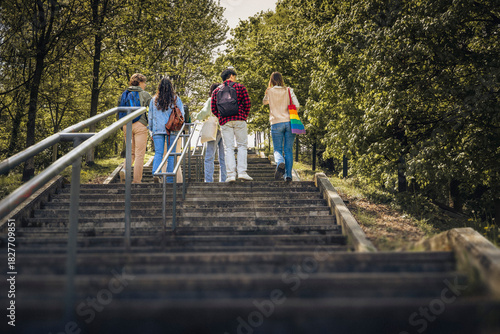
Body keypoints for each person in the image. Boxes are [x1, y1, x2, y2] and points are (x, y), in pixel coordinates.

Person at [211, 68, 252, 182]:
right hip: (239, 119)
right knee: (242, 146)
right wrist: (244, 115)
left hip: (225, 122)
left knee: (228, 148)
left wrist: (221, 117)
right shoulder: (240, 87)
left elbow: (213, 109)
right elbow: (247, 103)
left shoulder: (216, 91)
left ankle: (230, 175)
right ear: (231, 76)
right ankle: (242, 172)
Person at [263, 72, 300, 182]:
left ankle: (280, 163)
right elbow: (297, 105)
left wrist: (268, 92)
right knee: (288, 150)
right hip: (289, 122)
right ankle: (288, 175)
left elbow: (264, 102)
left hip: (276, 123)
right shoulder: (288, 90)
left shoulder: (269, 91)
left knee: (277, 149)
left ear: (271, 80)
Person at [148, 77, 185, 183]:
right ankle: (169, 179)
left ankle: (156, 172)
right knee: (171, 154)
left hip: (158, 130)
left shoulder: (153, 100)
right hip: (172, 129)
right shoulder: (176, 99)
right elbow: (182, 115)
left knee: (158, 153)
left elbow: (150, 116)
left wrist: (151, 130)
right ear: (171, 87)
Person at [119, 73, 152, 184]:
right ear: (140, 82)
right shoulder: (145, 94)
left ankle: (124, 169)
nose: (145, 85)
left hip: (126, 125)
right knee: (139, 154)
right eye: (144, 82)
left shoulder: (124, 94)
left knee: (130, 153)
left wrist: (122, 125)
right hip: (140, 124)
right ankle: (136, 180)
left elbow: (119, 111)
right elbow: (153, 109)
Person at [193, 83, 227, 182]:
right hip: (224, 128)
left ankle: (208, 180)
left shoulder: (211, 99)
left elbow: (204, 114)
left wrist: (195, 116)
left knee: (209, 157)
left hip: (214, 129)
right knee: (223, 157)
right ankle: (224, 180)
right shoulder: (225, 100)